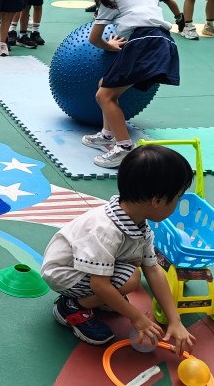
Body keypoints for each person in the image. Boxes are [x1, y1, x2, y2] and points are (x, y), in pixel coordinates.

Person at [41, 144, 196, 353]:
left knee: (133, 274)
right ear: (157, 201)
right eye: (178, 198)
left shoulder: (138, 223)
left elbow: (153, 269)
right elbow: (100, 285)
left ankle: (97, 300)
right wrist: (137, 317)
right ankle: (72, 307)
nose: (177, 203)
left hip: (85, 267)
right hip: (65, 273)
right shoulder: (106, 230)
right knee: (131, 279)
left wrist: (175, 320)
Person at [82, 0, 180, 169]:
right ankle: (107, 135)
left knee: (104, 96)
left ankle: (124, 147)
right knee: (106, 85)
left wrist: (110, 45)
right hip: (164, 41)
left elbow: (94, 38)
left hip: (143, 42)